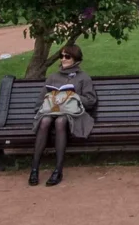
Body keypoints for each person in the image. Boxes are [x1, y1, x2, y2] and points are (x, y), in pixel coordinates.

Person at [29, 44, 97, 186]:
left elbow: (91, 101)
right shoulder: (53, 76)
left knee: (61, 121)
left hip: (73, 115)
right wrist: (40, 110)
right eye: (61, 56)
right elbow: (41, 99)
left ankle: (58, 170)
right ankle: (34, 169)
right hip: (52, 111)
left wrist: (73, 96)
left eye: (67, 56)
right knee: (45, 121)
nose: (63, 59)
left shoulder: (83, 77)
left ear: (76, 58)